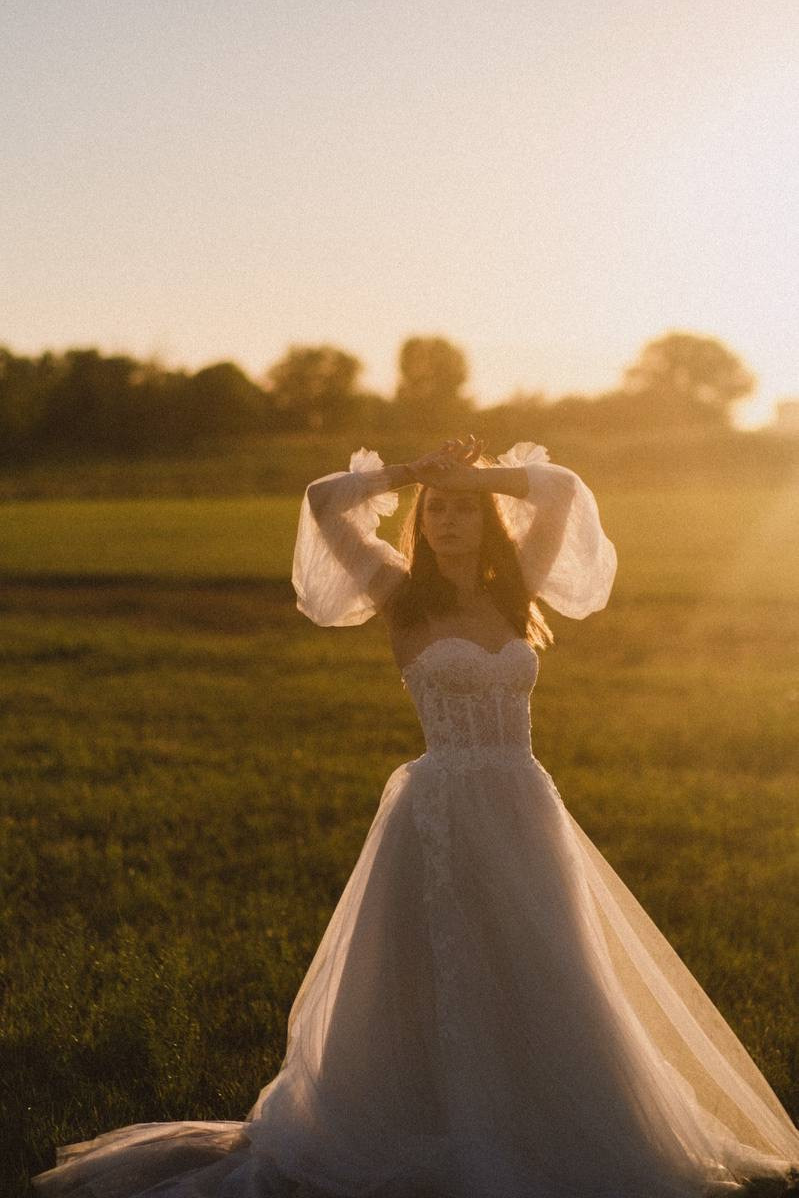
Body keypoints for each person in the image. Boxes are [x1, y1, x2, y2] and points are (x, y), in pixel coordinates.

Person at [34, 436, 799, 1198]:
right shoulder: (400, 593)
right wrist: (407, 475)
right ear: (421, 524)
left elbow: (562, 488)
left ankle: (553, 1114)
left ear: (486, 516)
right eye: (437, 511)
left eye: (464, 509)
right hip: (438, 812)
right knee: (443, 971)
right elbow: (321, 502)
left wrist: (472, 475)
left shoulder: (515, 588)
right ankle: (441, 1114)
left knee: (550, 965)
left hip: (525, 804)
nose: (450, 520)